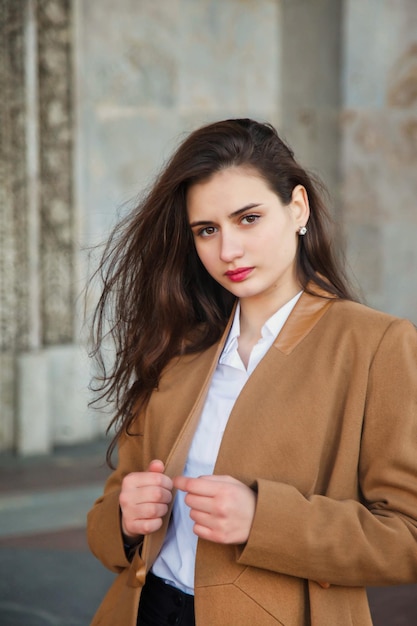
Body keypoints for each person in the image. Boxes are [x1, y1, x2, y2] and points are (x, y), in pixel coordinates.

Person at [86, 118, 417, 626]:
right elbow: (110, 512)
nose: (228, 251)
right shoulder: (179, 345)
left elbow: (407, 538)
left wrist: (265, 519)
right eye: (207, 230)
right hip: (146, 610)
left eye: (248, 219)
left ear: (298, 208)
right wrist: (126, 521)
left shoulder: (377, 346)